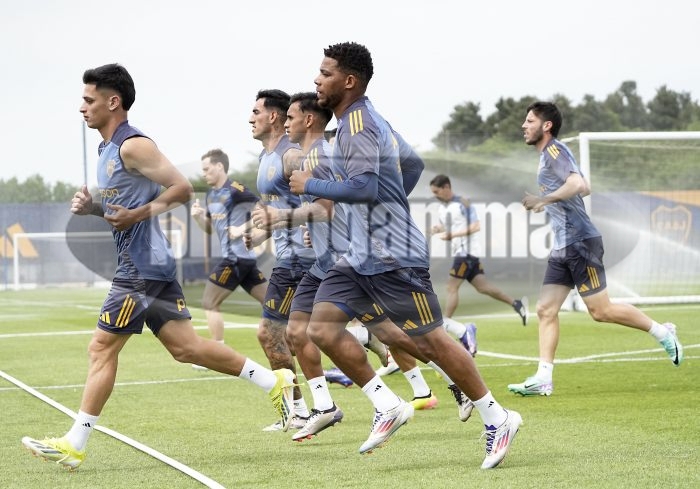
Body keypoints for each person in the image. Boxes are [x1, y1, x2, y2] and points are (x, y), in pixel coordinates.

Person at [21, 64, 295, 470]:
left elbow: (181, 189)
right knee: (186, 349)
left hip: (140, 268)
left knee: (100, 348)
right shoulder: (105, 150)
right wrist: (94, 207)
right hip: (149, 264)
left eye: (89, 100)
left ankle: (74, 443)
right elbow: (123, 208)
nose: (82, 107)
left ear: (113, 102)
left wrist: (137, 214)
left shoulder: (134, 145)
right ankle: (275, 381)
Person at [289, 42, 521, 469]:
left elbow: (364, 188)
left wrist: (312, 186)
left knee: (430, 340)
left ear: (349, 81)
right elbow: (411, 164)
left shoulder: (358, 123)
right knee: (320, 327)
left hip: (393, 253)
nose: (317, 81)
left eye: (325, 73)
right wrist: (388, 201)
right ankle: (388, 405)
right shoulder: (361, 121)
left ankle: (498, 417)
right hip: (359, 255)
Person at [509, 101, 684, 397]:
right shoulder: (549, 156)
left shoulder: (554, 151)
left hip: (580, 242)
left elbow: (578, 183)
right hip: (564, 245)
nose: (524, 126)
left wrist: (544, 199)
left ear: (546, 125)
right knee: (545, 309)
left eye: (529, 121)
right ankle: (543, 378)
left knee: (601, 311)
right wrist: (552, 198)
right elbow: (585, 187)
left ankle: (663, 332)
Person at [247, 89, 316, 430]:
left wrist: (314, 227)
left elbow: (325, 198)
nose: (250, 118)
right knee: (285, 334)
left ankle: (302, 410)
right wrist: (261, 234)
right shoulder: (266, 158)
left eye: (255, 112)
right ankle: (300, 410)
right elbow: (279, 210)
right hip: (289, 259)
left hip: (304, 260)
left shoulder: (292, 155)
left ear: (272, 116)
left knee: (271, 333)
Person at [189, 148, 268, 369]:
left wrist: (241, 228)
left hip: (236, 258)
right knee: (272, 303)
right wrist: (198, 217)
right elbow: (209, 228)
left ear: (219, 166)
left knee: (209, 302)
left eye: (207, 169)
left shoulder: (236, 189)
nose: (204, 173)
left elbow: (264, 210)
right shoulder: (211, 195)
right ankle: (291, 338)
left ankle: (217, 354)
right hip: (243, 259)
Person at [429, 174, 529, 344]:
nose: (435, 195)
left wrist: (452, 235)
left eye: (436, 191)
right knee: (483, 287)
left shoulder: (463, 202)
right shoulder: (442, 208)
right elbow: (448, 226)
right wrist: (438, 229)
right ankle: (516, 304)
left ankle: (445, 326)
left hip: (466, 252)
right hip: (465, 253)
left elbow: (476, 226)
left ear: (446, 187)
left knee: (451, 287)